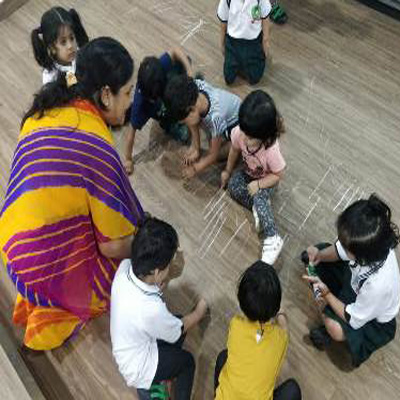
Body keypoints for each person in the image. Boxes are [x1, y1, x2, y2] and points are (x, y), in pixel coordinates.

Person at [0, 37, 144, 351]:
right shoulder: (95, 144)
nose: (132, 101)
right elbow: (113, 246)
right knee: (127, 265)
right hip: (37, 266)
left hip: (11, 242)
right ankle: (53, 315)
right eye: (128, 92)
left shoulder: (49, 108)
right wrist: (147, 242)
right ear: (106, 94)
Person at [110, 217, 208, 400]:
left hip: (130, 347)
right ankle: (148, 386)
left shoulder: (124, 268)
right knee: (187, 361)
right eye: (169, 263)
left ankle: (155, 382)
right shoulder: (151, 309)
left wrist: (156, 287)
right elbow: (177, 331)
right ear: (156, 272)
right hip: (138, 368)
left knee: (175, 320)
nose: (171, 266)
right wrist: (198, 313)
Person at [302, 194, 400, 367]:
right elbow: (341, 250)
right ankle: (329, 299)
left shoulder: (378, 286)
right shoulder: (372, 244)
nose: (341, 244)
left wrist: (325, 295)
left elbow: (353, 318)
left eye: (347, 247)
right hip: (356, 285)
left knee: (334, 327)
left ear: (362, 257)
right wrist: (319, 256)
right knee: (318, 253)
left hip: (372, 319)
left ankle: (329, 325)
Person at [214, 261, 301, 400]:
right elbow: (285, 331)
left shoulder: (235, 325)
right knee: (292, 389)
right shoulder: (279, 339)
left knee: (223, 357)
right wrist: (282, 314)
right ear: (275, 308)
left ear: (242, 302)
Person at [221, 90, 285, 264]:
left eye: (249, 137)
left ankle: (273, 237)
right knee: (233, 187)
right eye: (243, 130)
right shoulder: (239, 133)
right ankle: (258, 208)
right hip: (248, 173)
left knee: (259, 196)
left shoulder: (271, 149)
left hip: (267, 179)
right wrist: (227, 170)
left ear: (264, 136)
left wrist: (259, 185)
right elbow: (234, 149)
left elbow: (279, 174)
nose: (243, 137)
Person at [123, 48, 193, 175]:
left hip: (170, 96)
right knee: (183, 135)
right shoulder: (140, 104)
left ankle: (187, 88)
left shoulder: (156, 70)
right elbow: (131, 133)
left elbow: (176, 51)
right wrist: (128, 159)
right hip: (165, 113)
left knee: (186, 60)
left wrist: (190, 73)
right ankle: (171, 123)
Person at [164, 75, 241, 178]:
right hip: (223, 117)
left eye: (184, 122)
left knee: (219, 155)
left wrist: (195, 168)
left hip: (237, 125)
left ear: (192, 109)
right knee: (196, 123)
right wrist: (196, 147)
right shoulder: (195, 87)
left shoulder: (216, 118)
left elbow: (213, 156)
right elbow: (192, 120)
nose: (186, 124)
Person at [217, 0, 272, 85]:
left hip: (253, 41)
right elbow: (223, 21)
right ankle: (242, 63)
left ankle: (245, 63)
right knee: (228, 78)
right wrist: (222, 43)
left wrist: (265, 41)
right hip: (233, 42)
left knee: (255, 78)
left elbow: (265, 18)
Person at [31, 6, 89, 85]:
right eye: (63, 42)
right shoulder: (50, 78)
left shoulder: (83, 54)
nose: (70, 46)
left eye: (72, 38)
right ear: (52, 48)